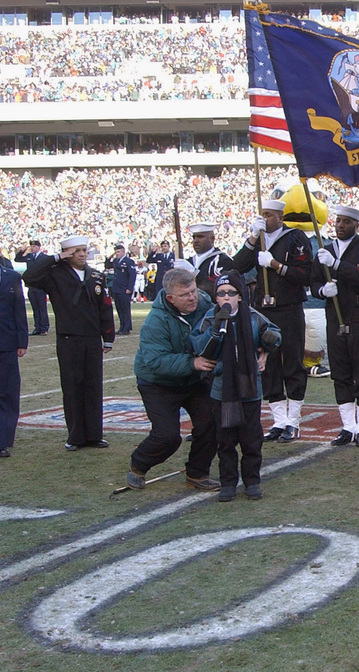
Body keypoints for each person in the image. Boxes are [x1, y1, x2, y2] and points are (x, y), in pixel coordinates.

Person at [127, 267, 220, 492]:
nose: (192, 298)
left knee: (212, 421)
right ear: (170, 298)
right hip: (158, 382)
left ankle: (197, 473)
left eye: (193, 291)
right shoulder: (155, 322)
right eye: (185, 294)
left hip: (194, 380)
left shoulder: (206, 304)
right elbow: (156, 361)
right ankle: (138, 465)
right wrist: (192, 363)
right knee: (167, 436)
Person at [193, 270, 281, 502]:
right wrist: (215, 332)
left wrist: (268, 344)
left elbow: (273, 334)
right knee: (225, 440)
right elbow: (198, 345)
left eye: (231, 293)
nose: (226, 297)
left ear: (240, 296)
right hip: (222, 389)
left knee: (252, 439)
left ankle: (252, 481)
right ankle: (228, 483)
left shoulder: (253, 317)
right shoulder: (210, 319)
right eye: (221, 293)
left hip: (249, 387)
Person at [23, 235, 115, 451]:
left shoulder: (95, 275)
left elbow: (104, 308)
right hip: (69, 338)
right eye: (76, 251)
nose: (82, 254)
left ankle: (94, 434)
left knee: (93, 386)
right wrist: (55, 258)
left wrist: (108, 337)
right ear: (66, 253)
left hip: (92, 338)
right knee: (73, 387)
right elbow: (29, 276)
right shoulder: (54, 274)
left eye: (84, 250)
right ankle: (75, 436)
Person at [234, 198, 313, 443]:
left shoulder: (295, 238)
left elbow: (305, 274)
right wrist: (251, 240)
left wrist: (276, 265)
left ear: (280, 217)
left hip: (288, 307)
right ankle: (279, 421)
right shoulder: (258, 240)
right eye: (263, 214)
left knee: (292, 362)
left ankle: (293, 421)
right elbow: (236, 266)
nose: (265, 219)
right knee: (268, 366)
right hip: (263, 309)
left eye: (269, 215)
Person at [310, 205, 359, 448]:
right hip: (335, 318)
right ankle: (348, 427)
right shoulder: (325, 250)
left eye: (346, 222)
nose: (340, 225)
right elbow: (314, 284)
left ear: (356, 225)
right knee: (340, 372)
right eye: (338, 221)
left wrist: (338, 265)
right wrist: (322, 290)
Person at [0, 262, 28, 458]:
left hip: (7, 342)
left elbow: (19, 310)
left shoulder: (11, 277)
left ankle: (3, 440)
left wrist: (22, 341)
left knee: (8, 393)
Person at [180, 222, 234, 298]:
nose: (196, 240)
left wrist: (194, 274)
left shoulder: (223, 261)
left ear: (212, 239)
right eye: (194, 237)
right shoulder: (188, 262)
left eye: (200, 237)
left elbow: (220, 288)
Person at [14, 239, 49, 335]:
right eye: (31, 246)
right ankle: (37, 327)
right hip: (31, 286)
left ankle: (44, 328)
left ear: (39, 247)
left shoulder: (44, 258)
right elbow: (17, 259)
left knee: (42, 308)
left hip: (41, 286)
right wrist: (22, 251)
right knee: (35, 308)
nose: (32, 248)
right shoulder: (29, 256)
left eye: (34, 246)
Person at [109, 243, 137, 335]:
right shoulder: (116, 261)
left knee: (125, 309)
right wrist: (111, 256)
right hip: (117, 288)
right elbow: (107, 264)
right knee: (119, 309)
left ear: (123, 252)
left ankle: (127, 328)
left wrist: (129, 288)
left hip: (125, 289)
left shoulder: (129, 262)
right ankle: (122, 327)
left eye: (118, 252)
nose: (117, 254)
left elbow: (132, 276)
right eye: (116, 252)